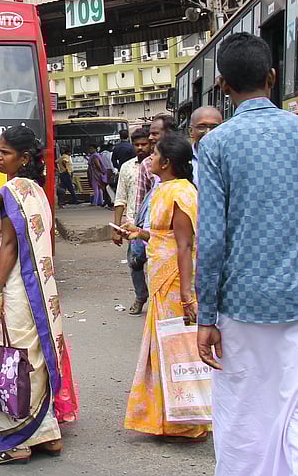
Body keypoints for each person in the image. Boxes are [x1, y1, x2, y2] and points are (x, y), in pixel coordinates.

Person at [195, 33, 298, 476]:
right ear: (273, 77)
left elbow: (212, 238)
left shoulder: (217, 145)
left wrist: (206, 314)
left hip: (241, 301)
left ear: (222, 85)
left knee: (243, 413)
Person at [0, 126, 75, 465]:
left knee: (8, 359)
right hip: (38, 291)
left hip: (12, 285)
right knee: (32, 354)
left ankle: (15, 441)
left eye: (5, 152)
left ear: (23, 158)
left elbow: (9, 245)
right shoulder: (37, 191)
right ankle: (46, 433)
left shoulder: (11, 191)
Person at [123, 133, 209, 441]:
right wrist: (140, 234)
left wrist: (187, 295)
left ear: (167, 162)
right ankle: (165, 418)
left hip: (175, 282)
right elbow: (164, 235)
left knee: (179, 350)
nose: (150, 158)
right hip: (160, 279)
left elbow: (185, 245)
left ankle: (189, 421)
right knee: (162, 349)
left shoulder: (182, 193)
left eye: (155, 154)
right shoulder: (163, 190)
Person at [112, 127, 153, 315]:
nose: (140, 148)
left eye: (144, 144)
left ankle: (157, 300)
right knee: (135, 262)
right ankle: (140, 296)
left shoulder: (160, 165)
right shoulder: (127, 167)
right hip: (133, 223)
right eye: (136, 144)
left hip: (155, 224)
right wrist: (116, 226)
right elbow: (120, 198)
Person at [188, 106, 223, 183]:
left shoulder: (229, 158)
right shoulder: (182, 159)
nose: (208, 132)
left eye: (214, 127)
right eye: (201, 127)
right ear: (191, 131)